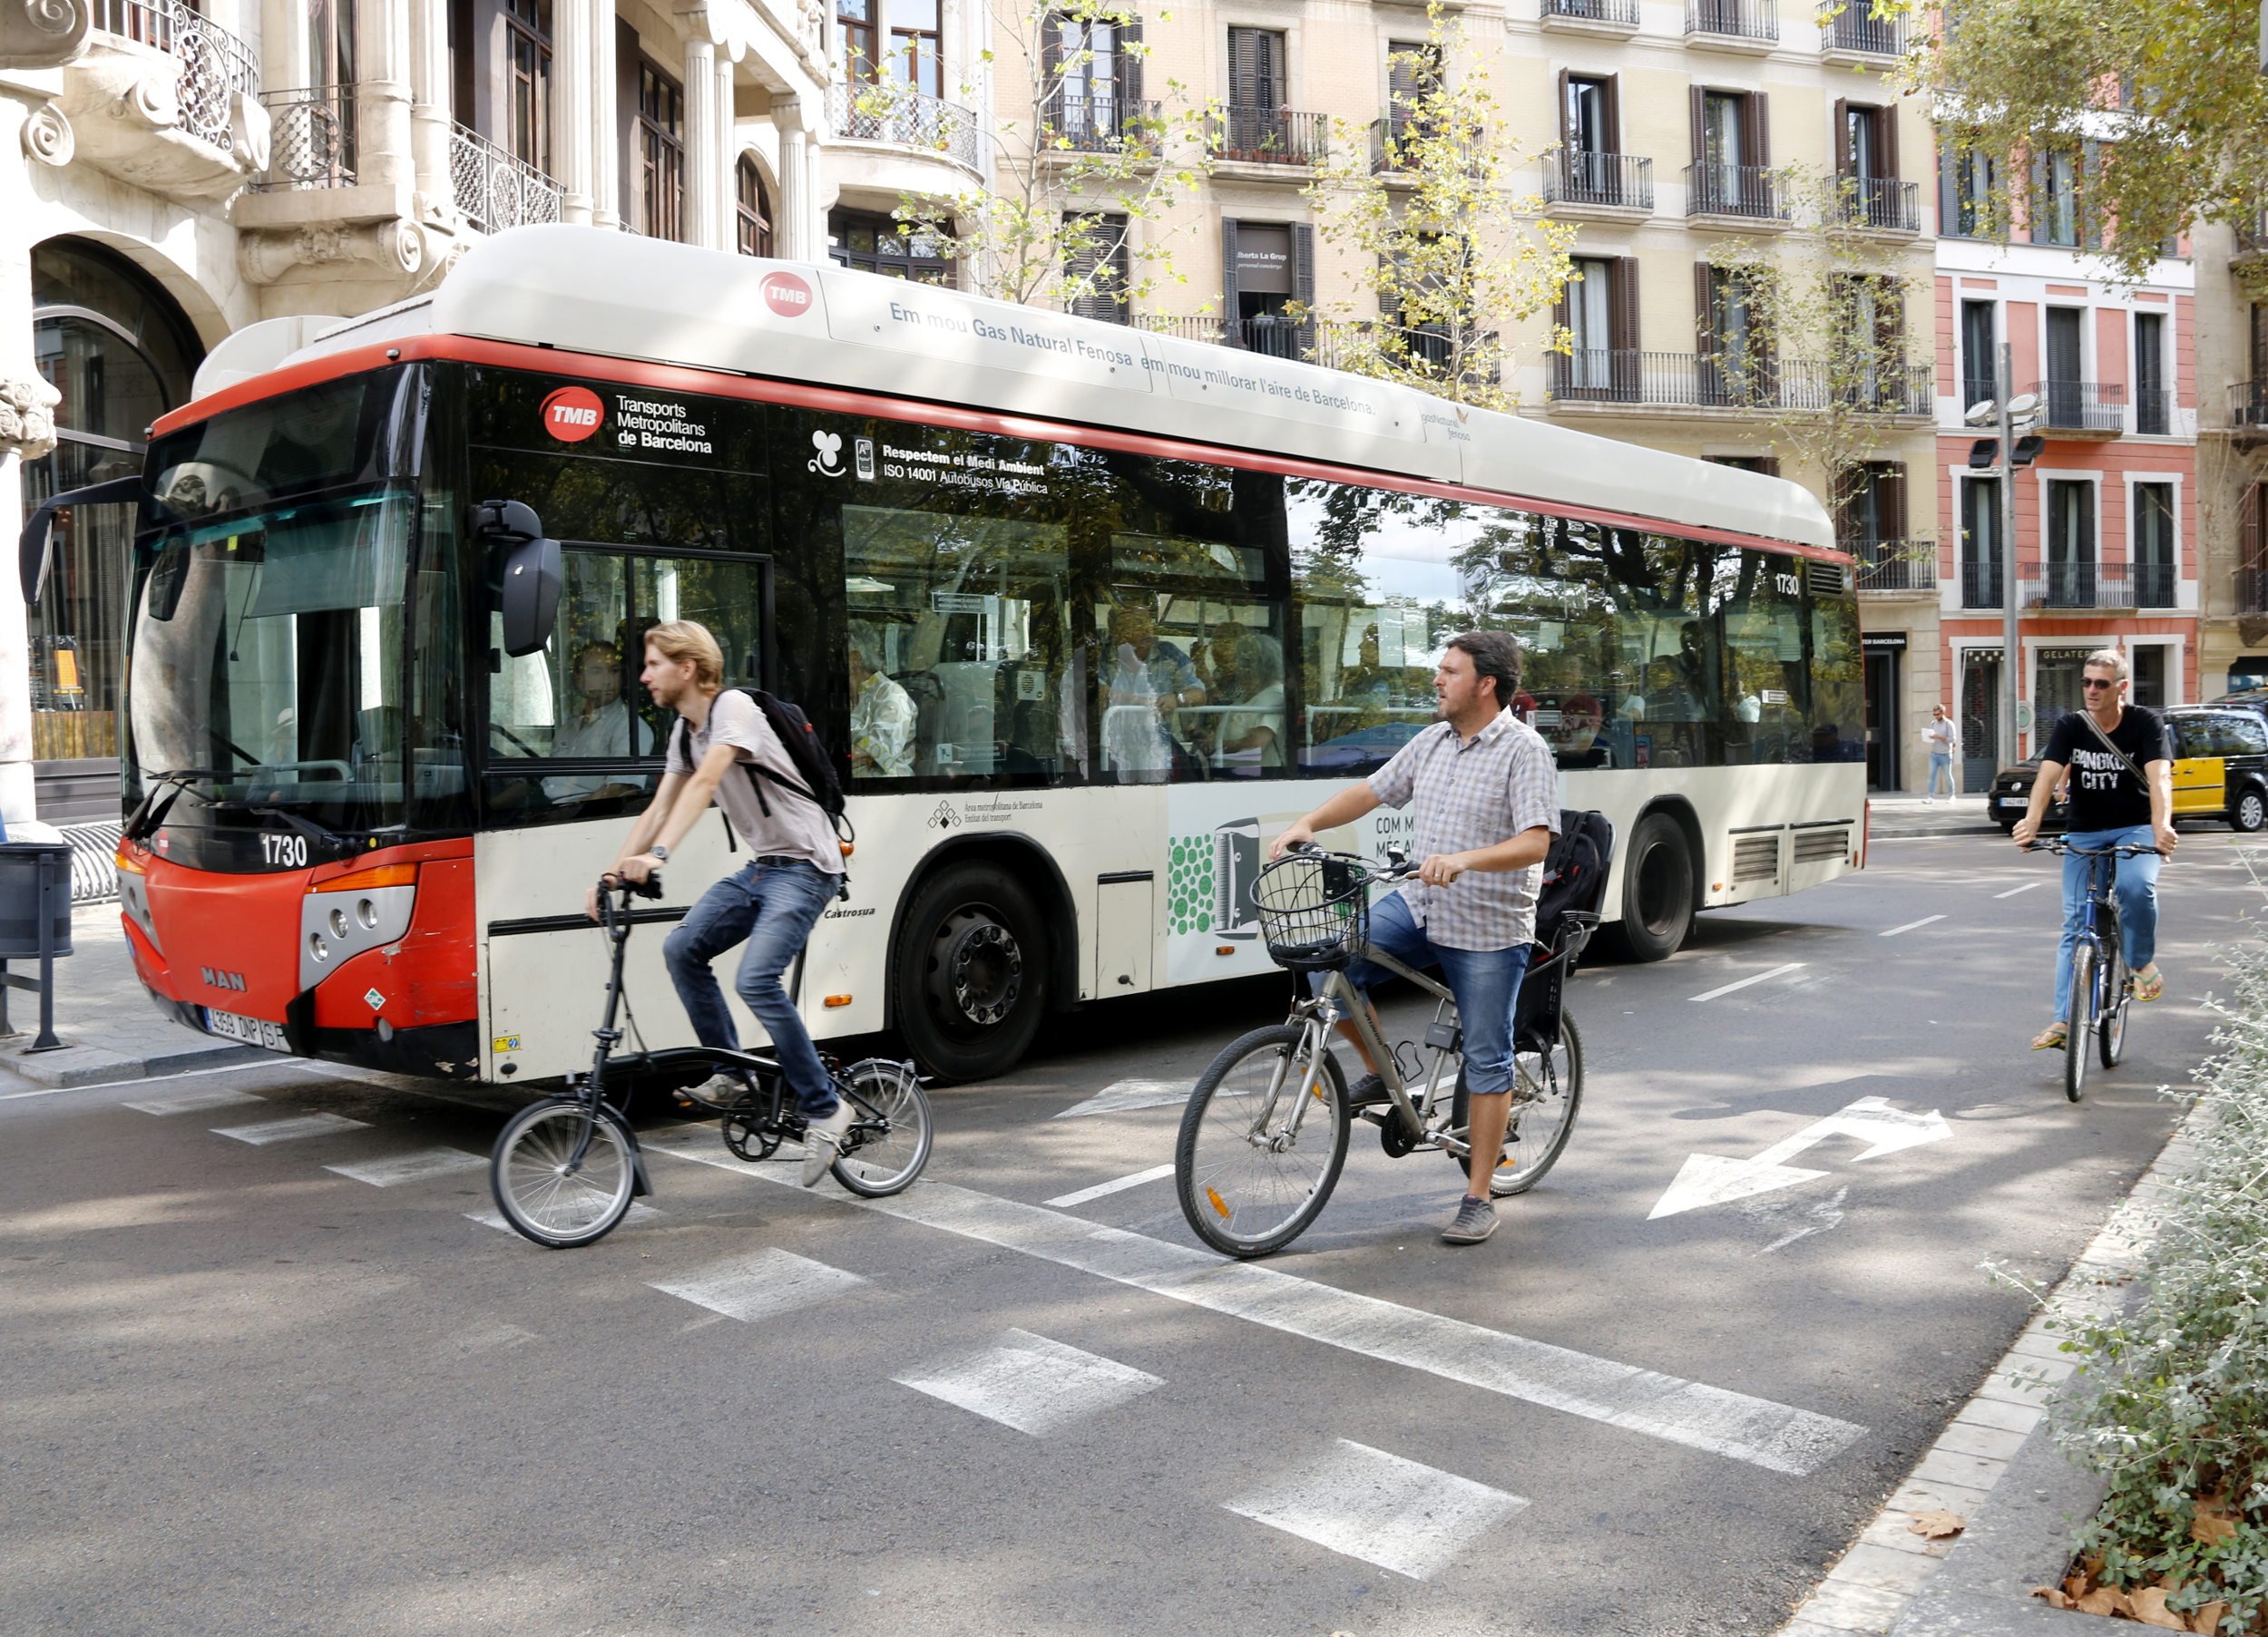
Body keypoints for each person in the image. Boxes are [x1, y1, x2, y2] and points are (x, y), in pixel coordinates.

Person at [1270, 630, 1559, 1247]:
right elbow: (1371, 791)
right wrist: (1309, 823)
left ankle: (1478, 1197)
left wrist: (1464, 860)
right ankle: (1384, 1071)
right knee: (1329, 969)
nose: (1437, 679)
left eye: (1450, 671)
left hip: (1487, 923)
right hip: (1422, 905)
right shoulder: (1432, 741)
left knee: (1487, 1056)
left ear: (1485, 684)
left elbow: (1537, 841)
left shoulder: (1524, 749)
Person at [586, 619, 851, 1185]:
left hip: (807, 868)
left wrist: (658, 856)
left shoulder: (733, 708)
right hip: (764, 868)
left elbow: (707, 783)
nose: (643, 676)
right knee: (682, 948)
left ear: (687, 668)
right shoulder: (686, 731)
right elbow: (659, 806)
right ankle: (732, 1072)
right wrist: (609, 873)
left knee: (756, 980)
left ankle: (826, 1106)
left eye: (653, 664)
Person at [2011, 648, 2176, 1052]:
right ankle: (2064, 1020)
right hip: (2084, 832)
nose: (2091, 690)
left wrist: (2161, 826)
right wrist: (2032, 821)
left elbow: (2160, 779)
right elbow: (2047, 775)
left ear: (2122, 687)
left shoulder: (2145, 723)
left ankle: (2140, 961)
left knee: (2136, 888)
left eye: (2101, 683)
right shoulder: (2071, 725)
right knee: (2075, 925)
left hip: (2135, 827)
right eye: (2086, 682)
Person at [1101, 603, 1205, 782]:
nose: (1146, 630)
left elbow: (1199, 693)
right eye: (1135, 624)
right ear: (1116, 631)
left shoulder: (1168, 653)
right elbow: (1098, 693)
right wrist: (1146, 704)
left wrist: (1178, 698)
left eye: (1148, 623)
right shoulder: (1101, 657)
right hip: (1114, 747)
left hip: (1158, 745)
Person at [543, 639, 654, 802]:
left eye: (614, 671)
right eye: (596, 672)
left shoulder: (629, 727)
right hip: (544, 805)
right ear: (578, 678)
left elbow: (618, 790)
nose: (608, 681)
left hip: (581, 812)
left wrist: (568, 812)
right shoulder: (567, 729)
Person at [846, 622, 916, 777]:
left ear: (855, 658)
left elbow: (879, 750)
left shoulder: (891, 693)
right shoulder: (845, 698)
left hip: (888, 786)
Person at [1214, 632, 1286, 774]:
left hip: (1261, 778)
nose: (1238, 670)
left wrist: (1218, 746)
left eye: (1246, 663)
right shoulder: (1244, 697)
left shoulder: (1275, 695)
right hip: (1234, 775)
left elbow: (1256, 744)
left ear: (1264, 666)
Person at [1921, 704, 1958, 802]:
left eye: (1937, 714)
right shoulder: (1933, 723)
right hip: (1934, 754)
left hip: (1945, 754)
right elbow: (1932, 736)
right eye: (1934, 714)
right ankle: (1930, 797)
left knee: (1947, 776)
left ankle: (1952, 795)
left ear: (1943, 713)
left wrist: (1940, 737)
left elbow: (1952, 739)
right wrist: (1929, 737)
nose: (1936, 716)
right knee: (1931, 775)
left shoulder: (1949, 724)